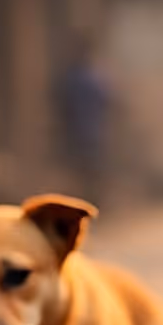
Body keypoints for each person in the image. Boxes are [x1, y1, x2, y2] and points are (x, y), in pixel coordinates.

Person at [57, 36, 111, 206]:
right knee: (90, 171)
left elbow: (62, 104)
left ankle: (81, 202)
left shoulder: (71, 78)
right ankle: (91, 202)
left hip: (74, 134)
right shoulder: (94, 78)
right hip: (92, 134)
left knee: (78, 171)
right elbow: (106, 102)